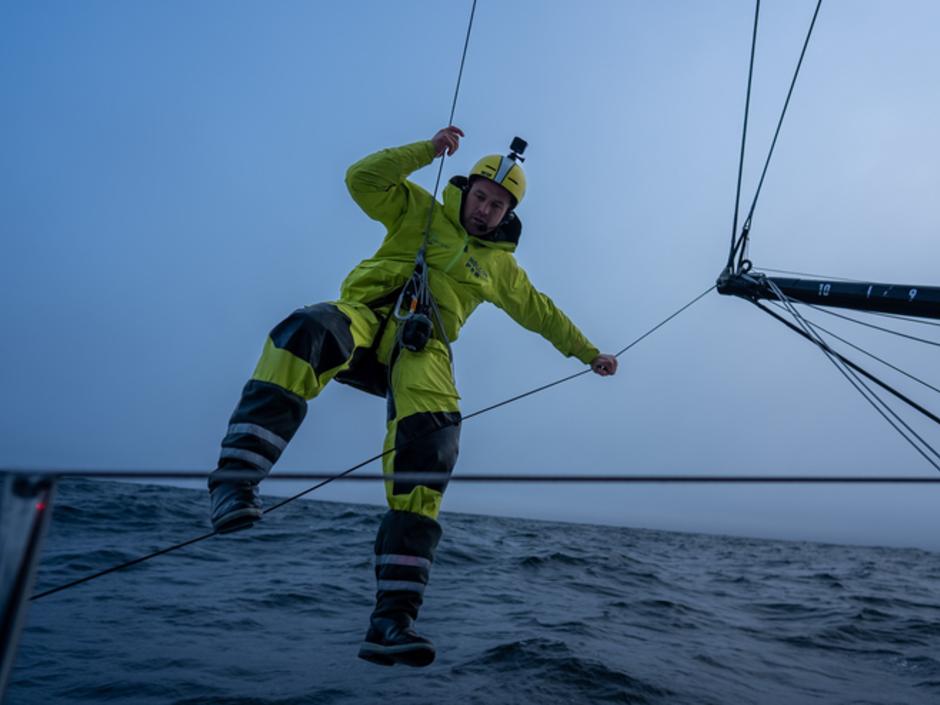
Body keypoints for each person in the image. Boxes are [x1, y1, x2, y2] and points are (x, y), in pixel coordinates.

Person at [207, 126, 618, 667]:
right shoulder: (416, 209)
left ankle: (393, 620)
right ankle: (235, 483)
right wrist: (427, 150)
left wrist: (588, 353)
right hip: (367, 317)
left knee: (435, 438)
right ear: (465, 190)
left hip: (423, 348)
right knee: (306, 329)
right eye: (480, 197)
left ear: (508, 214)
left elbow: (542, 313)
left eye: (497, 205)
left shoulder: (501, 269)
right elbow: (361, 179)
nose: (485, 210)